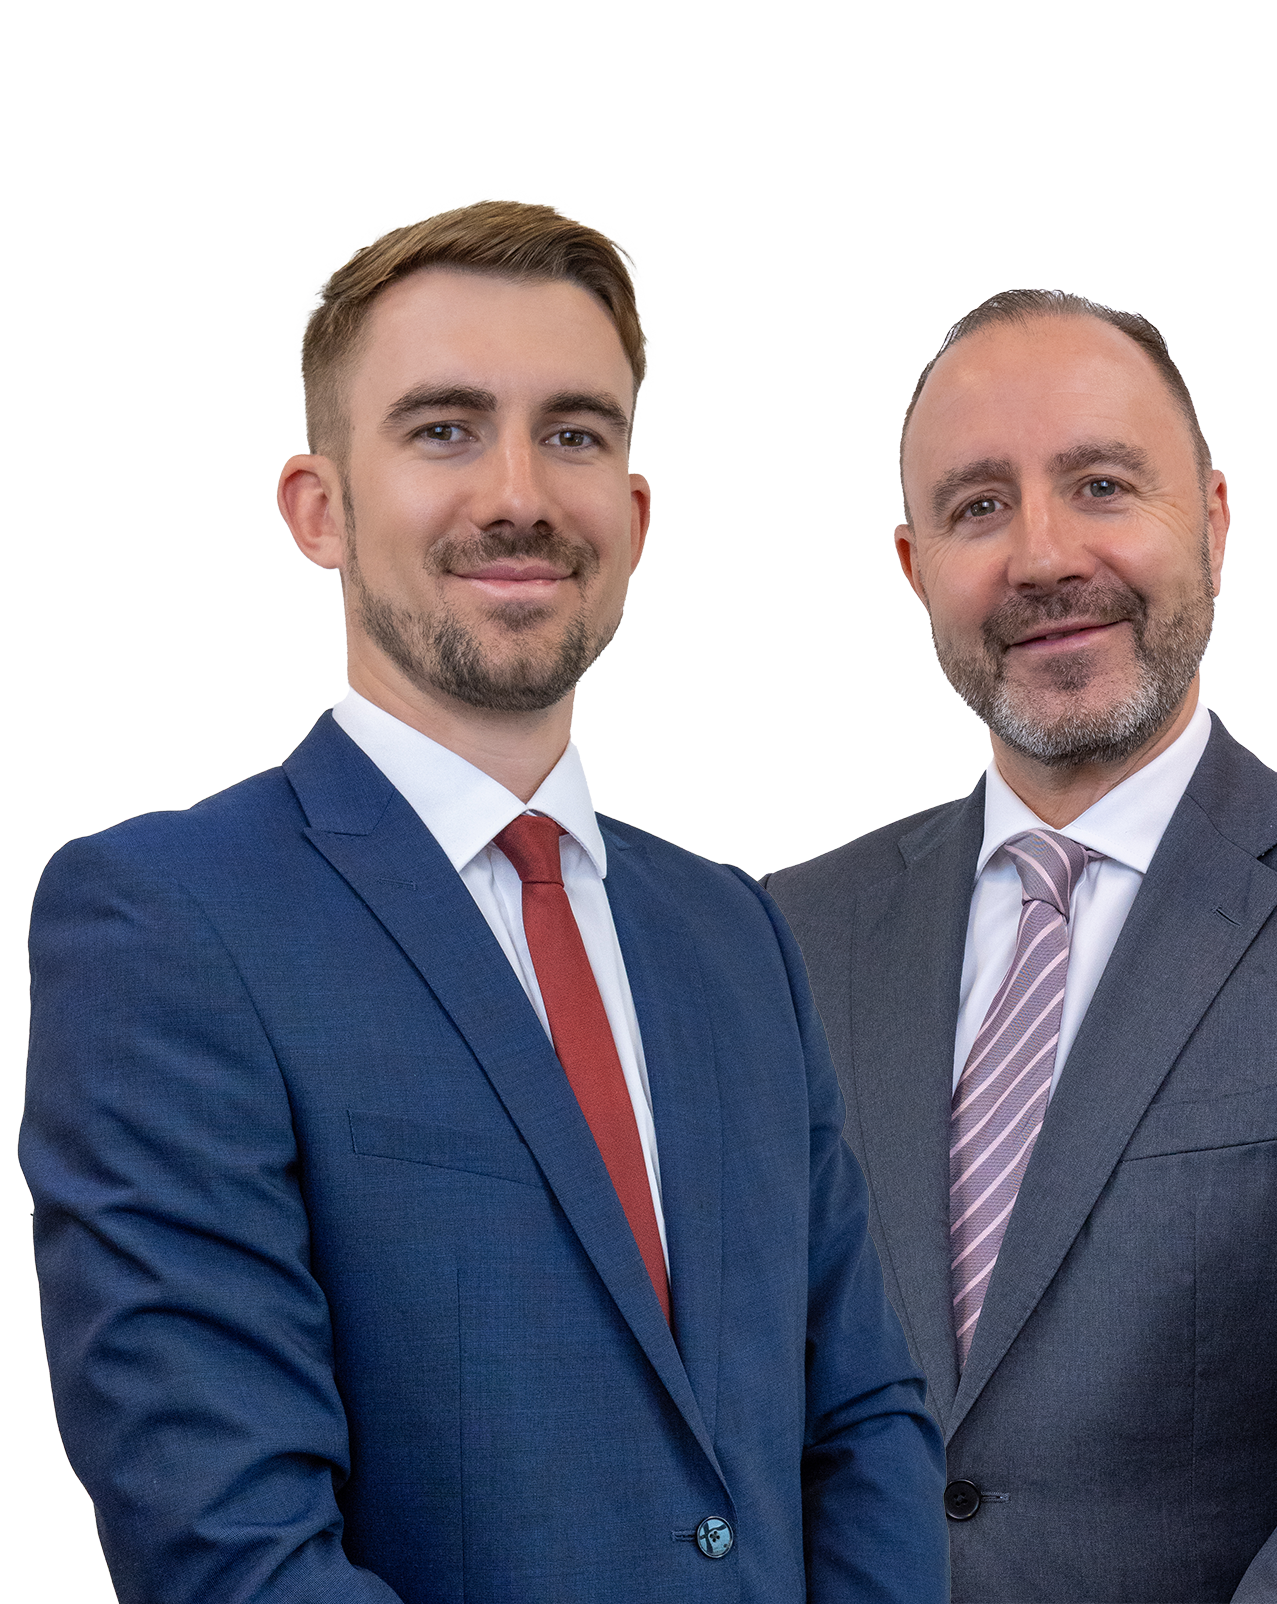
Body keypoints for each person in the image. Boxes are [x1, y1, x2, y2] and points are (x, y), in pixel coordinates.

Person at [21, 199, 948, 1604]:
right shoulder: (166, 927)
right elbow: (232, 1549)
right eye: (444, 427)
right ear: (318, 507)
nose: (518, 491)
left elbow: (863, 1420)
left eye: (574, 432)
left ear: (631, 517)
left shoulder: (733, 936)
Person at [764, 290, 1277, 1603]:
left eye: (1099, 484)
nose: (1041, 556)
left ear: (1212, 518)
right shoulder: (788, 938)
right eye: (979, 508)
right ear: (913, 572)